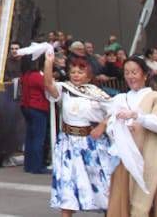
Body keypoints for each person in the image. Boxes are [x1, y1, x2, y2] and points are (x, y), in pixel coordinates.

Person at [105, 56, 157, 215]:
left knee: (154, 203)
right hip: (127, 159)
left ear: (145, 75)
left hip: (153, 158)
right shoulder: (120, 99)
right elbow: (110, 127)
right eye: (127, 72)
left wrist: (138, 117)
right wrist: (118, 127)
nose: (131, 76)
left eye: (134, 72)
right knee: (125, 202)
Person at [42, 50, 114, 214]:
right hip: (68, 145)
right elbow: (48, 85)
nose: (76, 75)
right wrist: (48, 62)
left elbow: (115, 112)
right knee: (67, 188)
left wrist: (102, 126)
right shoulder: (65, 89)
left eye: (80, 72)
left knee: (102, 187)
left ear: (89, 75)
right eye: (73, 71)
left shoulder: (97, 93)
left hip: (91, 145)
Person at [18, 55, 50, 174]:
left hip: (26, 106)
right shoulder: (36, 76)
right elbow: (47, 87)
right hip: (38, 107)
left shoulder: (24, 75)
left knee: (30, 137)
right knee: (38, 138)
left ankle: (29, 165)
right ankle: (37, 166)